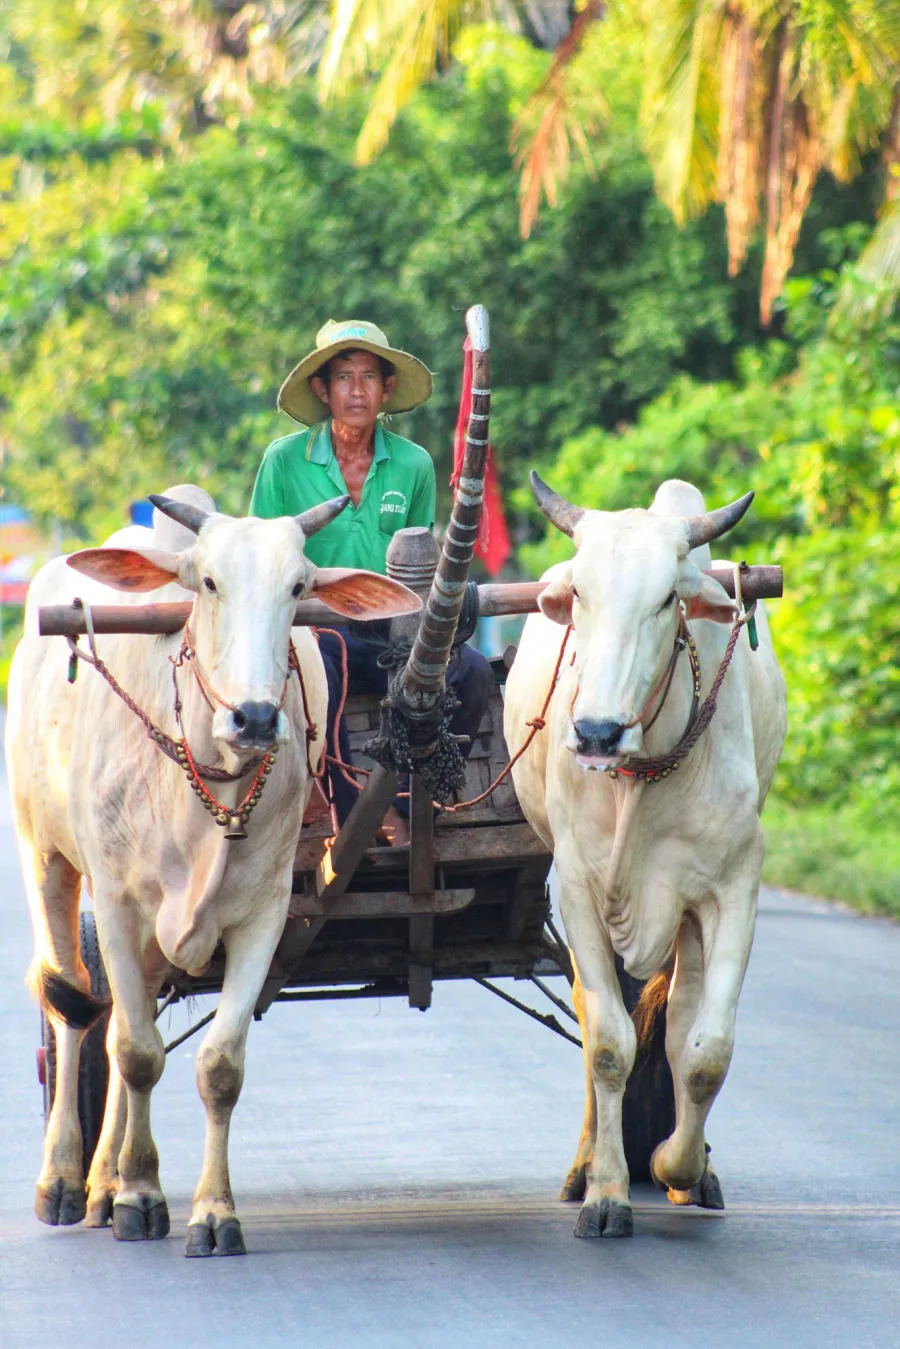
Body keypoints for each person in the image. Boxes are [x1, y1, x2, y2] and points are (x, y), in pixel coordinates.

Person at [250, 319, 494, 845]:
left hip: (394, 632)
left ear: (386, 390)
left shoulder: (413, 464)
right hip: (315, 630)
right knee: (326, 669)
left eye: (368, 378)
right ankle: (356, 813)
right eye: (342, 377)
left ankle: (417, 799)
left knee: (472, 673)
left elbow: (422, 565)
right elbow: (262, 565)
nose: (356, 390)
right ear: (322, 389)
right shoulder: (283, 461)